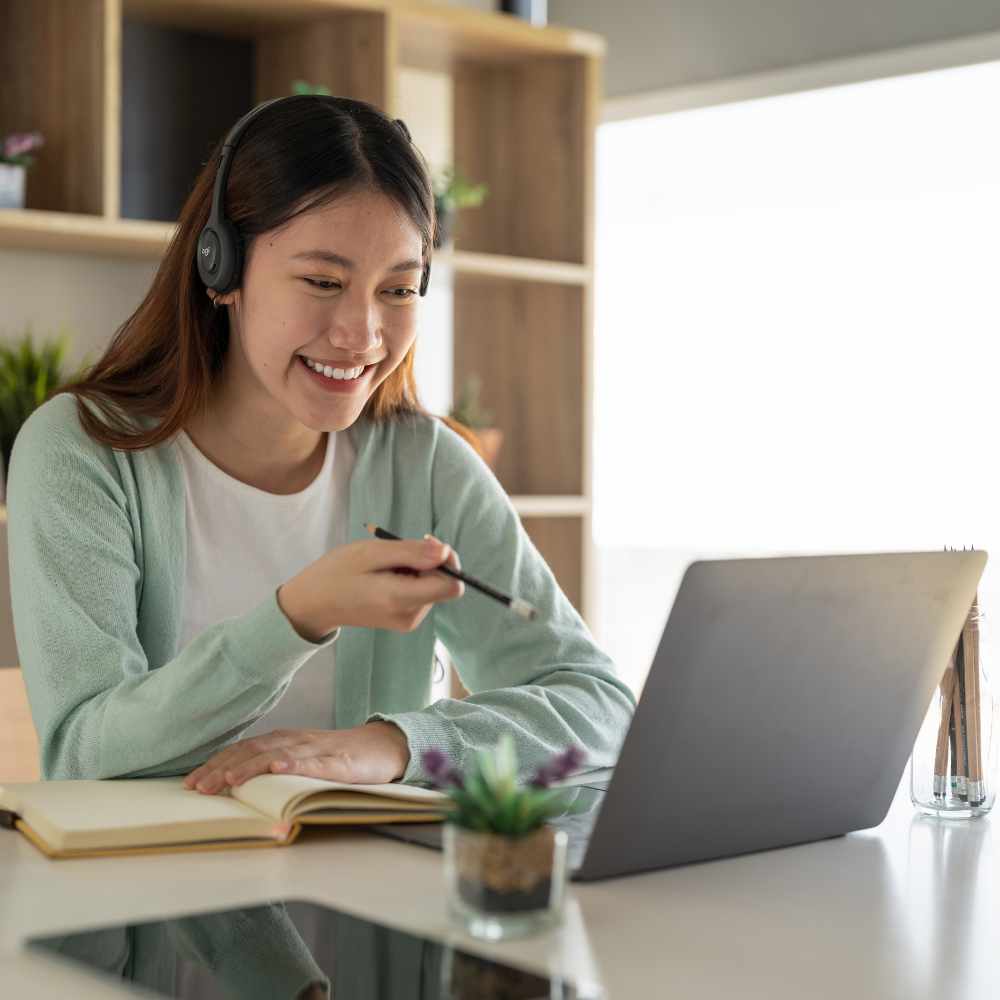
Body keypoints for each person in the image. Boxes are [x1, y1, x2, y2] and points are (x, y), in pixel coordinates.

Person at [7, 95, 635, 794]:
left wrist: (396, 745)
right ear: (221, 269)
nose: (362, 334)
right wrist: (296, 616)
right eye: (323, 282)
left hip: (369, 896)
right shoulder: (81, 454)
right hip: (159, 896)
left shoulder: (424, 465)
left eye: (398, 290)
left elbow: (601, 707)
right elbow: (82, 756)